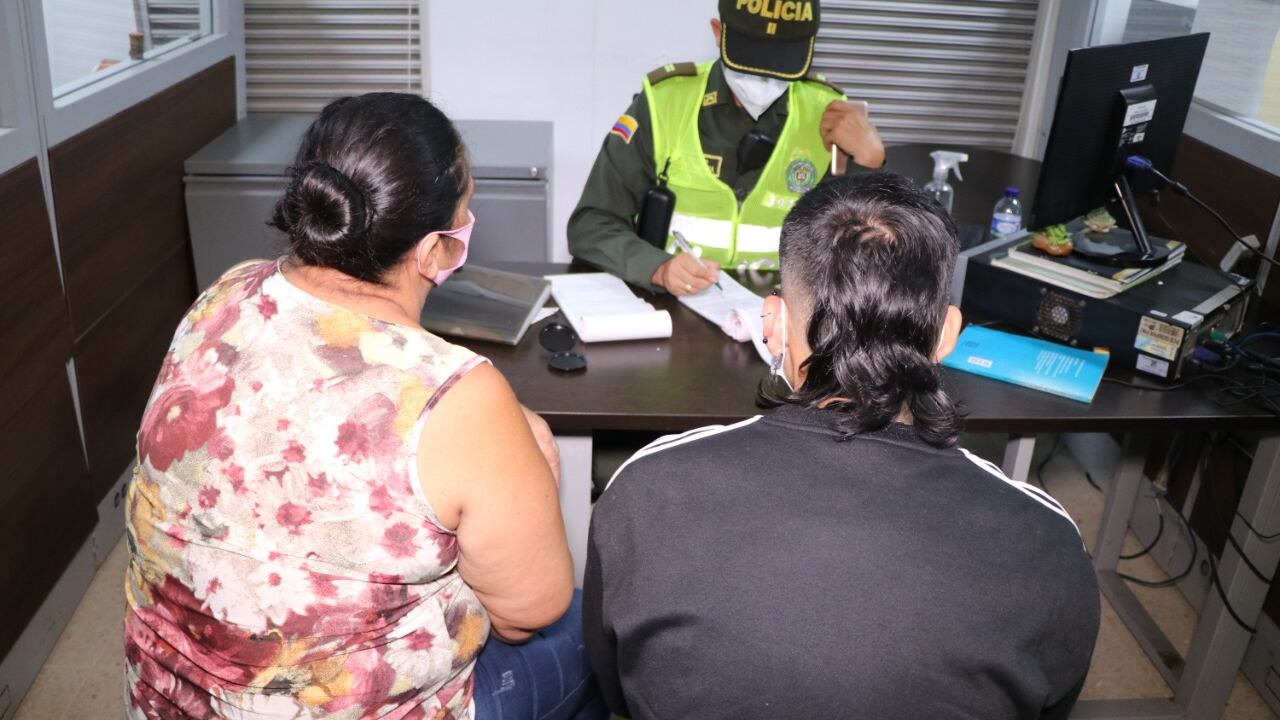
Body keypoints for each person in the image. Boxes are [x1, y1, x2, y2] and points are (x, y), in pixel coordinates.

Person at [124, 93, 606, 720]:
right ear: (436, 250)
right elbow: (525, 615)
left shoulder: (226, 292)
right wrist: (522, 455)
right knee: (589, 627)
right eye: (466, 212)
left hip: (170, 700)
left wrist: (497, 437)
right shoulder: (460, 400)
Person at [583, 172, 1101, 719]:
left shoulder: (645, 491)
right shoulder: (1048, 540)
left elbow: (617, 688)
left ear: (774, 325)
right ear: (947, 335)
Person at [568, 0, 885, 296]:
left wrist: (872, 165)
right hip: (678, 308)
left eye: (778, 65)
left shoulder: (831, 115)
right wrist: (656, 267)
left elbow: (872, 254)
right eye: (750, 61)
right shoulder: (665, 103)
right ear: (719, 33)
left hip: (786, 317)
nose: (763, 79)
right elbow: (591, 224)